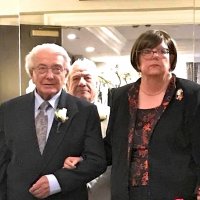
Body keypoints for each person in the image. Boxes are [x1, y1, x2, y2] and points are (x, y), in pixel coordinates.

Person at [64, 30, 200, 200]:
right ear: (137, 59)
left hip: (174, 191)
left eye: (162, 51)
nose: (154, 56)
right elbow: (112, 145)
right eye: (147, 51)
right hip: (127, 191)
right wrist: (84, 159)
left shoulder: (191, 94)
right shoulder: (122, 96)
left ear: (172, 58)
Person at [0, 43, 106, 200]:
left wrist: (57, 181)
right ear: (31, 73)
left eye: (57, 69)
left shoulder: (85, 111)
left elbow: (96, 161)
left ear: (65, 73)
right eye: (42, 68)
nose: (49, 75)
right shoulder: (9, 109)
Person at [65, 58, 111, 200]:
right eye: (76, 78)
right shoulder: (57, 115)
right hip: (67, 191)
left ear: (96, 84)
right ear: (67, 85)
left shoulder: (113, 115)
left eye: (87, 78)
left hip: (104, 191)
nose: (82, 83)